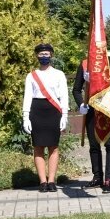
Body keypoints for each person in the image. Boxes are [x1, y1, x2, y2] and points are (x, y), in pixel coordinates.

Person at [22, 43, 69, 192]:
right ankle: (42, 182)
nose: (44, 56)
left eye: (46, 54)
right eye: (41, 54)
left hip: (53, 111)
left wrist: (65, 115)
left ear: (51, 55)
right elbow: (28, 96)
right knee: (38, 147)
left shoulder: (59, 74)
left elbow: (64, 96)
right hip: (37, 110)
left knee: (53, 147)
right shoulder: (31, 75)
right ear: (37, 56)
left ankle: (52, 181)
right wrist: (25, 116)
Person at [73, 53, 110, 193]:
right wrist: (81, 104)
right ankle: (97, 177)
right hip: (91, 109)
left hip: (106, 107)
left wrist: (94, 78)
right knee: (94, 145)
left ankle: (109, 179)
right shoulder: (84, 64)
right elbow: (76, 89)